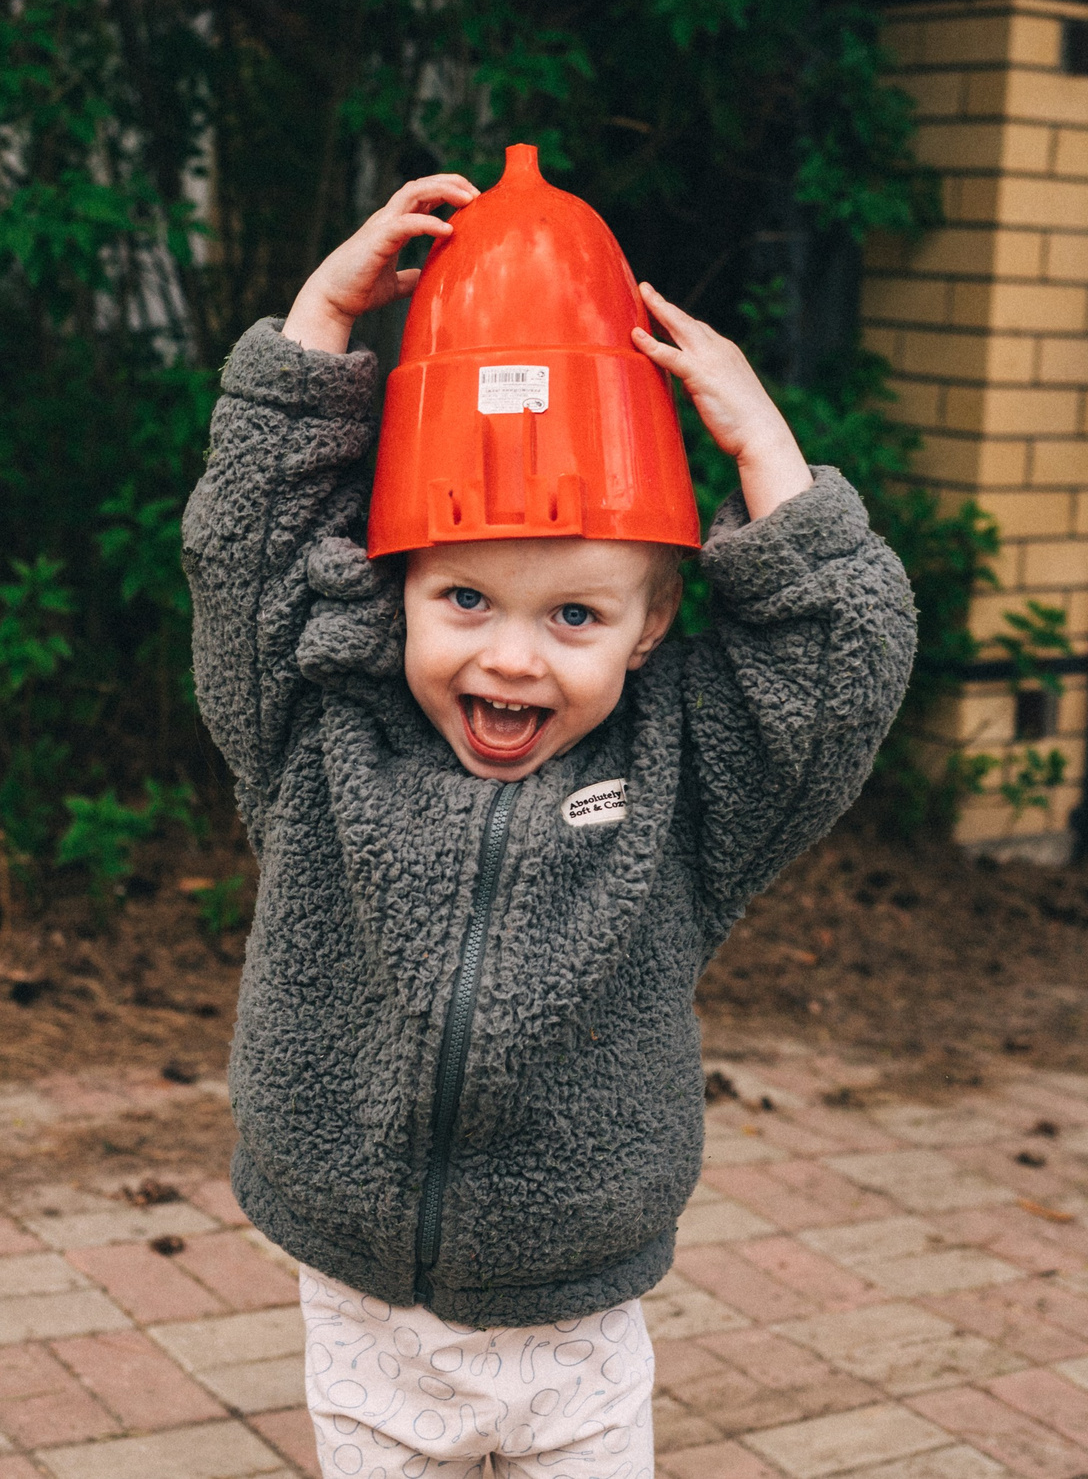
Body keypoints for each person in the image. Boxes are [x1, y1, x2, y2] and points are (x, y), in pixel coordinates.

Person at [181, 173, 918, 1476]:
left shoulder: (689, 778)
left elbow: (837, 677)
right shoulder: (317, 731)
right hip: (366, 1328)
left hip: (575, 1332)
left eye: (574, 614)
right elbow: (244, 553)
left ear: (653, 624)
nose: (511, 657)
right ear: (395, 579)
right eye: (464, 595)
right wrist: (315, 329)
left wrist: (770, 457)